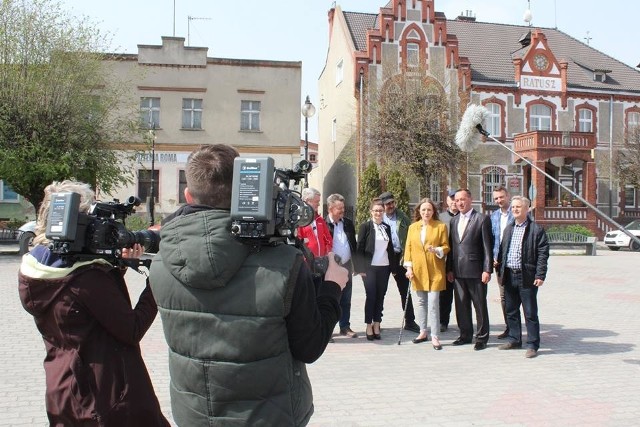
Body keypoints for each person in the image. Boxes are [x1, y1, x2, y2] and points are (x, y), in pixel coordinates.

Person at [149, 144, 348, 426]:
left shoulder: (161, 262)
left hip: (195, 416)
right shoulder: (285, 263)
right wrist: (332, 287)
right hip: (269, 417)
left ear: (188, 196)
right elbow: (310, 346)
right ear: (246, 192)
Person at [18, 180, 169, 426]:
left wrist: (115, 268)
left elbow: (81, 311)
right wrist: (156, 284)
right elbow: (131, 329)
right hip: (108, 397)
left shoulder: (37, 269)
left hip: (64, 388)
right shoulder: (87, 278)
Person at [496, 196, 549, 358]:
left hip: (527, 276)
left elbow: (543, 254)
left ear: (527, 209)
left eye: (518, 207)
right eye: (513, 207)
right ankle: (514, 339)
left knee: (530, 312)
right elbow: (503, 249)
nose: (515, 210)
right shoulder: (509, 228)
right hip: (509, 275)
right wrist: (498, 266)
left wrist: (540, 274)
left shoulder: (536, 230)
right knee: (511, 310)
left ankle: (532, 344)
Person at [446, 188, 494, 351]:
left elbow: (488, 247)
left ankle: (481, 338)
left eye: (462, 199)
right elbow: (452, 247)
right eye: (457, 200)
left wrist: (487, 270)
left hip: (476, 271)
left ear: (470, 199)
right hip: (458, 272)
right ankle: (465, 335)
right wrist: (449, 269)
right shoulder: (453, 221)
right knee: (461, 305)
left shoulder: (481, 219)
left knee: (479, 305)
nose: (459, 203)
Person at [404, 198, 450, 350]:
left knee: (433, 303)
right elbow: (408, 249)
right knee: (421, 302)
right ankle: (423, 331)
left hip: (435, 270)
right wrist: (409, 268)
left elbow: (446, 247)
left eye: (429, 210)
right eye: (423, 210)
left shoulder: (440, 226)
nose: (426, 212)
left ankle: (435, 335)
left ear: (433, 211)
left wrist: (436, 250)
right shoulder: (413, 227)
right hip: (418, 270)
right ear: (419, 211)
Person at [354, 198, 396, 341]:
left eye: (381, 210)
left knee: (381, 296)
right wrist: (359, 268)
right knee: (371, 296)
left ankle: (377, 323)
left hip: (384, 267)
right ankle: (368, 324)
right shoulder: (365, 226)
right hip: (369, 268)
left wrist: (394, 267)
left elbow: (389, 249)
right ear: (371, 212)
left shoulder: (386, 227)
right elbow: (359, 248)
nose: (378, 213)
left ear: (383, 212)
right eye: (376, 210)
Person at [379, 191, 420, 333]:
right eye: (387, 204)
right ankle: (376, 322)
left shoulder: (402, 217)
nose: (390, 206)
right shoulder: (378, 217)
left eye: (392, 203)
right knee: (380, 291)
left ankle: (410, 321)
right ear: (382, 205)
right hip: (384, 258)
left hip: (400, 257)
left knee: (405, 291)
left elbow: (411, 237)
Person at [325, 193, 358, 338]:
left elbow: (353, 245)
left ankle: (345, 326)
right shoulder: (323, 224)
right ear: (330, 209)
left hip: (346, 267)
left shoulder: (348, 223)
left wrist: (357, 266)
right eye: (339, 209)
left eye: (343, 208)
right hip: (331, 268)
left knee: (346, 299)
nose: (343, 211)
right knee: (331, 299)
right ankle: (328, 329)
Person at [490, 186, 514, 339]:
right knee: (504, 297)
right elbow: (492, 239)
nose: (499, 200)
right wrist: (492, 256)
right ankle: (509, 327)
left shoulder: (517, 212)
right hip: (499, 264)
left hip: (515, 262)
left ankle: (517, 328)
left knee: (517, 297)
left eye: (501, 197)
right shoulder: (493, 216)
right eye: (496, 198)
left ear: (508, 196)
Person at [438, 190, 459, 332]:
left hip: (460, 261)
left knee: (461, 296)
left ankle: (463, 322)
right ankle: (443, 321)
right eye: (451, 199)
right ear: (447, 201)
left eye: (456, 199)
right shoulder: (441, 218)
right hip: (444, 261)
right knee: (444, 295)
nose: (454, 202)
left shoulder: (465, 217)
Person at [298, 187, 333, 258]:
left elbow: (328, 240)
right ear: (307, 201)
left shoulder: (320, 220)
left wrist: (326, 255)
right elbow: (298, 243)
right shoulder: (299, 221)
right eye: (316, 201)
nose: (319, 204)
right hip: (306, 264)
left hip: (321, 262)